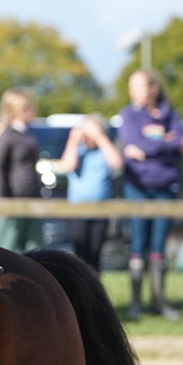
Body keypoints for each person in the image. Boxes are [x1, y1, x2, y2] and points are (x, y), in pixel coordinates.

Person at [120, 69, 183, 320]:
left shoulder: (171, 114)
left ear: (153, 88)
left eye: (139, 87)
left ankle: (159, 301)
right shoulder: (128, 115)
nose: (134, 92)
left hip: (165, 187)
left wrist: (150, 146)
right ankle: (136, 303)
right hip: (137, 186)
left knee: (158, 245)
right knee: (138, 244)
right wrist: (166, 142)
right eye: (132, 87)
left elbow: (181, 143)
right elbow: (132, 143)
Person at [60, 113, 123, 272]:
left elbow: (116, 163)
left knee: (95, 255)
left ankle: (94, 291)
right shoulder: (78, 150)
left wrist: (100, 137)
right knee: (79, 255)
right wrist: (74, 139)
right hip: (78, 210)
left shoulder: (104, 151)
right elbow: (68, 165)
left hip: (100, 210)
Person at [0, 88, 44, 252]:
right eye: (31, 107)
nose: (34, 110)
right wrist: (4, 200)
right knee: (8, 247)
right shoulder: (8, 135)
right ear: (22, 110)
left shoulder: (27, 133)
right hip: (12, 199)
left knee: (34, 247)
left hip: (30, 196)